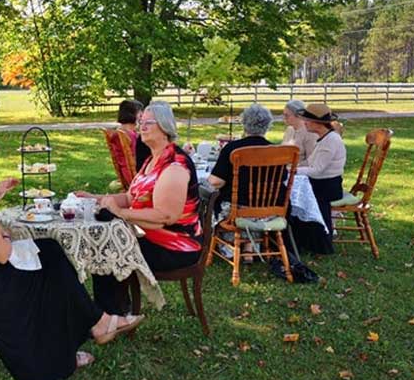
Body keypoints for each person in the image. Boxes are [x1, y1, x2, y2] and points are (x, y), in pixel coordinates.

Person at [0, 118, 143, 380]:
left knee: (49, 252)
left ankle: (96, 324)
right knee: (52, 266)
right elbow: (1, 255)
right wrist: (2, 233)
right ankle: (83, 336)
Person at [79, 101, 202, 314]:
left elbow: (166, 216)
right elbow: (129, 197)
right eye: (140, 122)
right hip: (153, 237)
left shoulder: (175, 165)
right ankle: (111, 311)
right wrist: (94, 198)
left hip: (176, 247)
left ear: (164, 128)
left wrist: (122, 214)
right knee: (104, 240)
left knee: (109, 247)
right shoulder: (152, 161)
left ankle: (112, 314)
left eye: (148, 123)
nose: (141, 127)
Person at [290, 103, 347, 254]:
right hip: (321, 182)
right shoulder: (323, 138)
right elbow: (310, 163)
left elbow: (317, 170)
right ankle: (298, 240)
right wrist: (290, 167)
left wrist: (293, 172)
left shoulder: (331, 141)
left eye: (307, 121)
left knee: (290, 194)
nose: (305, 123)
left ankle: (309, 241)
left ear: (318, 123)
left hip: (328, 186)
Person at [208, 103, 280, 210]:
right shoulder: (278, 152)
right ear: (268, 125)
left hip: (236, 210)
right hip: (271, 210)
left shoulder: (232, 148)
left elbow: (215, 182)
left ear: (244, 124)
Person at [116, 99, 151, 172]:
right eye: (139, 112)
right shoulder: (129, 135)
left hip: (127, 169)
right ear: (131, 114)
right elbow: (138, 155)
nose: (142, 115)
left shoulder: (121, 131)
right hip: (138, 170)